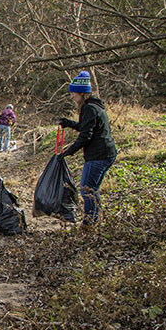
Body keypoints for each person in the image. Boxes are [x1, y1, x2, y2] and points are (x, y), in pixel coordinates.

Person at [59, 70, 117, 226]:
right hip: (106, 153)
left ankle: (89, 223)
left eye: (73, 93)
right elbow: (87, 128)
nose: (72, 96)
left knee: (86, 190)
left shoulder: (89, 108)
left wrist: (68, 152)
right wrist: (69, 123)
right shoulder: (93, 106)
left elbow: (86, 136)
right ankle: (93, 220)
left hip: (99, 155)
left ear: (82, 93)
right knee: (92, 190)